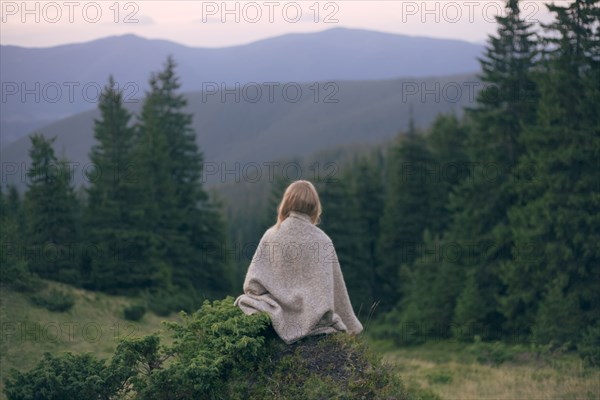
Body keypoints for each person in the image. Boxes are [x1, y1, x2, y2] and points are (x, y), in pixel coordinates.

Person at [234, 180, 363, 344]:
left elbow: (252, 286)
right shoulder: (322, 240)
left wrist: (275, 300)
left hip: (274, 312)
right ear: (314, 206)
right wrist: (350, 325)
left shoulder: (271, 235)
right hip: (315, 320)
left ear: (286, 202)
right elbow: (337, 292)